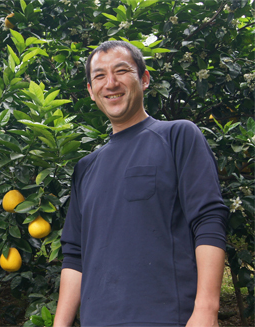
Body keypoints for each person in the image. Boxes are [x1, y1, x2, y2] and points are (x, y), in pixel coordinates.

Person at [54, 41, 229, 327]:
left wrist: (206, 311)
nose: (110, 83)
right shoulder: (86, 168)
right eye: (99, 76)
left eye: (121, 71)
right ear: (90, 90)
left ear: (144, 79)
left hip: (168, 319)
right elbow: (75, 256)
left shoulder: (177, 136)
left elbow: (209, 220)